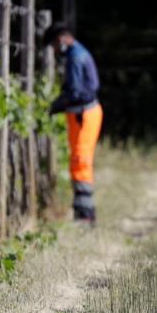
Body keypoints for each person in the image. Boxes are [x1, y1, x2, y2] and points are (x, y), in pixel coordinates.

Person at [44, 25, 103, 224]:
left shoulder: (75, 57)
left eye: (52, 45)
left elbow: (75, 92)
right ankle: (83, 211)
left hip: (83, 115)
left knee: (80, 160)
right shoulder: (77, 54)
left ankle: (85, 215)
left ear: (61, 40)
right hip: (81, 115)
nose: (53, 51)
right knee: (78, 160)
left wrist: (55, 105)